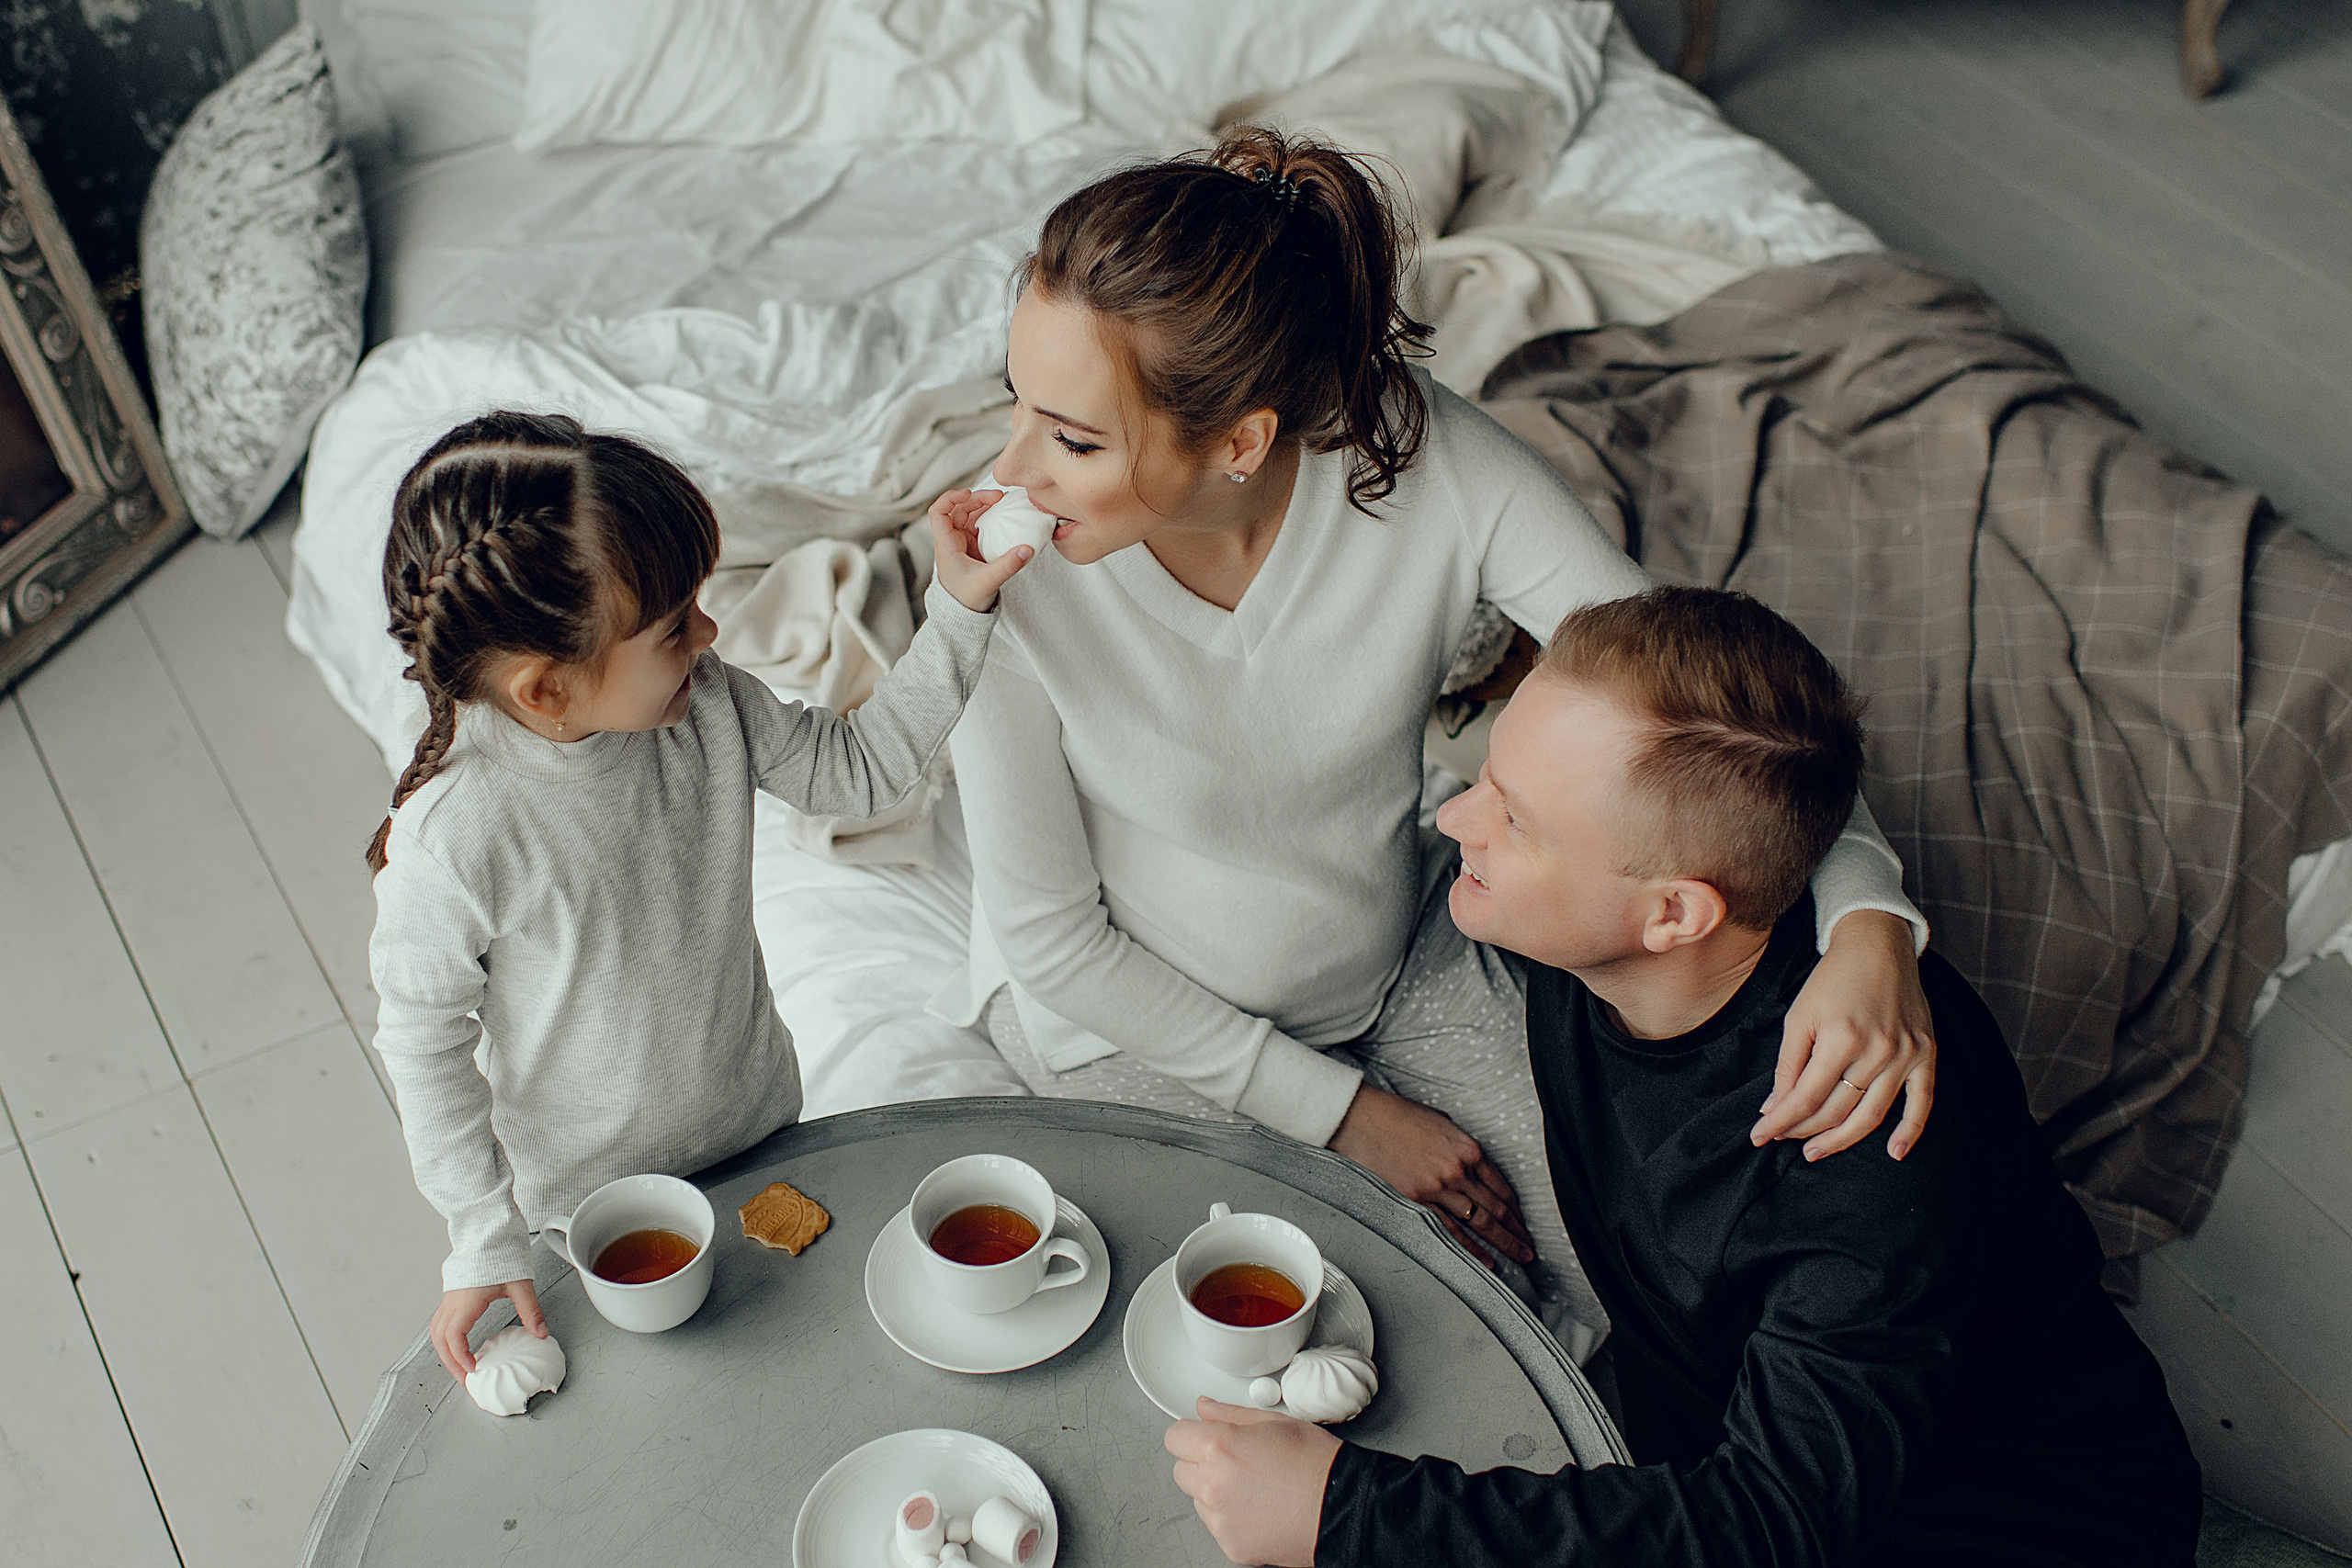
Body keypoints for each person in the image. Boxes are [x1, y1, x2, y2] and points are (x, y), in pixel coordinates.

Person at [939, 126, 1938, 1333]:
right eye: (1020, 407)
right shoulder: (990, 581)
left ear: (1244, 442)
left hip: (1392, 953)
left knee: (1631, 1272)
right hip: (1119, 1022)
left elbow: (1709, 707)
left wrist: (1871, 919)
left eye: (1075, 437)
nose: (1011, 472)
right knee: (1382, 1321)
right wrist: (1353, 1117)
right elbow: (1055, 947)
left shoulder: (1422, 457)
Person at [1165, 586, 2202, 1567]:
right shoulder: (1619, 925)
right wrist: (1876, 921)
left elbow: (1768, 1525)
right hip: (1708, 1452)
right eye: (1485, 776)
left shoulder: (1857, 1149)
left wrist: (1349, 1514)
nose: (1455, 820)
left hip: (1983, 1532)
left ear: (1673, 914)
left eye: (1514, 819)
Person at [366, 412, 1031, 1382]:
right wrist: (480, 1236)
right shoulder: (457, 836)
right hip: (592, 1215)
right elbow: (421, 1047)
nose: (711, 635)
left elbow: (858, 768)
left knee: (830, 1365)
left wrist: (958, 612)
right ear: (546, 692)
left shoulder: (708, 702)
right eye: (675, 627)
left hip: (763, 1133)